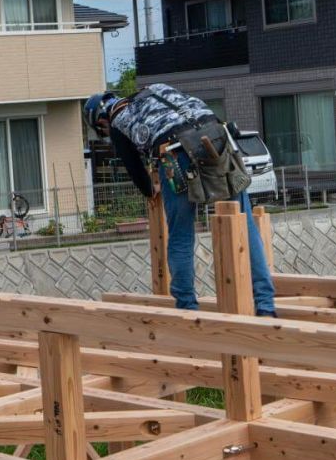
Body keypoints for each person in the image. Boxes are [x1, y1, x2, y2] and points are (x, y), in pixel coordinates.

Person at [84, 85, 277, 317]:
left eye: (102, 129)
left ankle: (187, 309)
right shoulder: (155, 89)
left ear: (101, 119)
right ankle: (266, 305)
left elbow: (135, 169)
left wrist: (149, 189)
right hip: (216, 136)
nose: (106, 132)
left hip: (175, 154)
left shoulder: (118, 120)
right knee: (245, 222)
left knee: (181, 234)